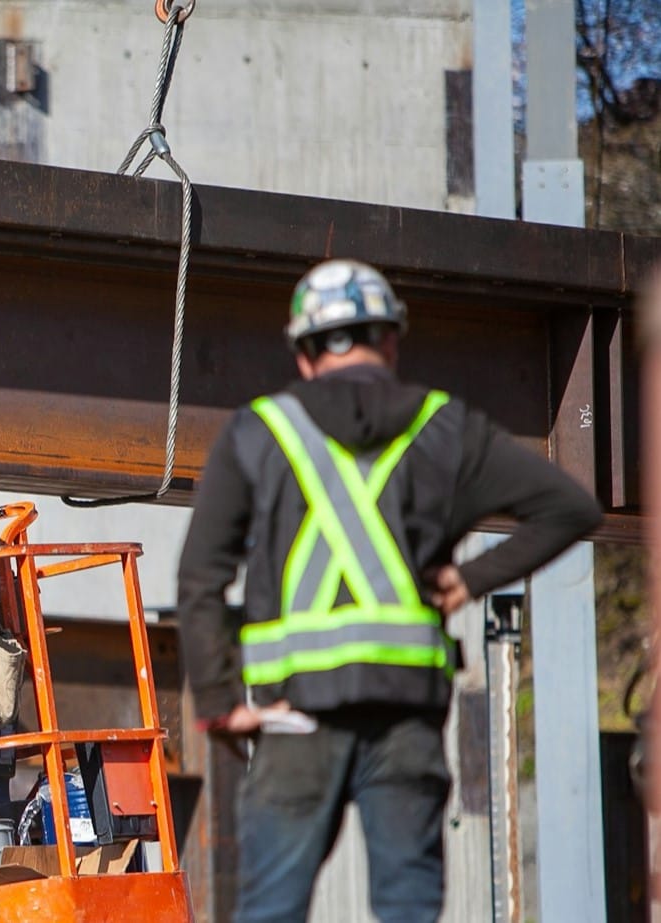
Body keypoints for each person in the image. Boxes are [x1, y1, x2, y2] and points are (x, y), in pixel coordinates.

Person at [177, 259, 602, 923]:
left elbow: (201, 572)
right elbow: (570, 508)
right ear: (392, 339)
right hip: (406, 720)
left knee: (269, 912)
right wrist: (472, 580)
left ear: (304, 352)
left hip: (294, 718)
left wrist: (218, 699)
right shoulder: (445, 427)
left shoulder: (258, 432)